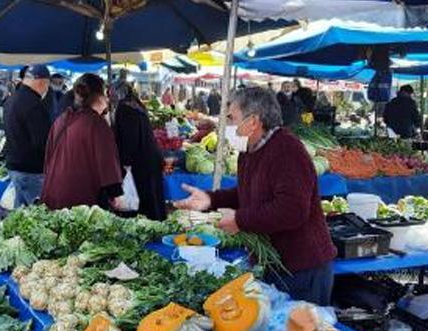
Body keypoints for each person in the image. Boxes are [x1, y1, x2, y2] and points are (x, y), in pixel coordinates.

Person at [174, 87, 337, 305]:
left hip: (302, 269)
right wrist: (211, 200)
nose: (227, 126)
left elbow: (292, 211)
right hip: (275, 265)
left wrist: (240, 220)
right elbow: (247, 194)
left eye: (232, 119)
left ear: (253, 122)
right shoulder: (249, 152)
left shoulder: (287, 150)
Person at [41, 73, 123, 210]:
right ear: (98, 97)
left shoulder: (61, 120)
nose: (107, 100)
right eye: (105, 94)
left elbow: (48, 158)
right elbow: (107, 162)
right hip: (82, 198)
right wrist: (116, 193)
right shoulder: (96, 123)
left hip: (53, 192)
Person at [112, 82, 166, 220]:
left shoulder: (124, 108)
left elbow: (129, 138)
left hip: (140, 160)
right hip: (151, 156)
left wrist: (125, 162)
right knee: (153, 196)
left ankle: (149, 226)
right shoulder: (137, 105)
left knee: (142, 197)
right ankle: (157, 223)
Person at [3, 65, 51, 207]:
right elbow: (42, 141)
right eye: (47, 85)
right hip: (31, 170)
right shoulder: (34, 104)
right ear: (42, 82)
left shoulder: (11, 100)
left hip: (14, 166)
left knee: (21, 215)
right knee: (37, 216)